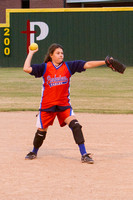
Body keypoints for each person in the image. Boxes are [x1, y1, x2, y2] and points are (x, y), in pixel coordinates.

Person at [23, 43, 106, 164]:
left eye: (62, 53)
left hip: (63, 105)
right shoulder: (45, 67)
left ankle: (84, 154)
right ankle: (34, 151)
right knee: (41, 132)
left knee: (76, 126)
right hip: (47, 106)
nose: (61, 55)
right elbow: (26, 68)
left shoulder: (69, 66)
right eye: (57, 53)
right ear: (51, 55)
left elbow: (87, 64)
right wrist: (31, 52)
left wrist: (105, 62)